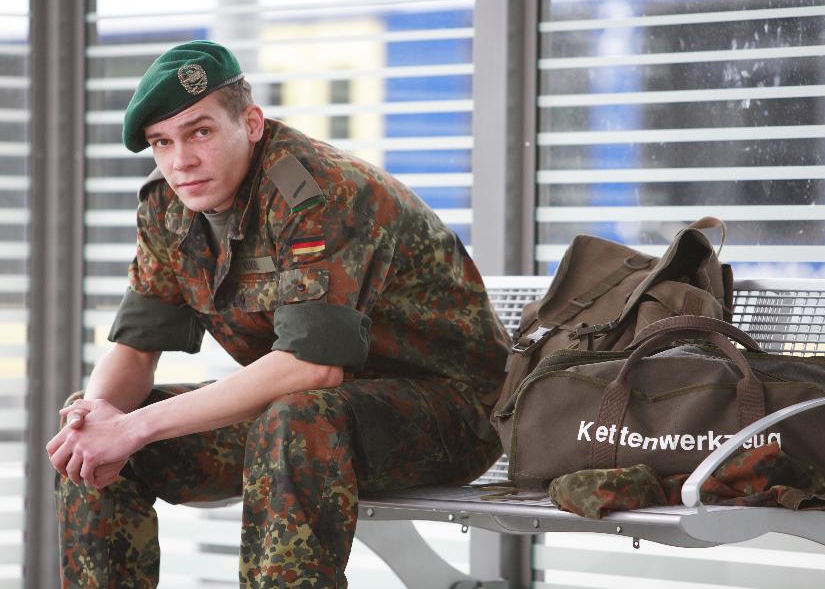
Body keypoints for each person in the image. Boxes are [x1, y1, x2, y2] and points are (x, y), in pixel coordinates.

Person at [46, 40, 509, 588]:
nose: (180, 161)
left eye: (200, 132)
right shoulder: (169, 206)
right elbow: (135, 347)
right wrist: (99, 418)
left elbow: (312, 367)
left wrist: (134, 428)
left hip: (452, 414)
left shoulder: (319, 193)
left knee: (294, 417)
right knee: (87, 434)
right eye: (161, 143)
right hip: (310, 416)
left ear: (251, 123)